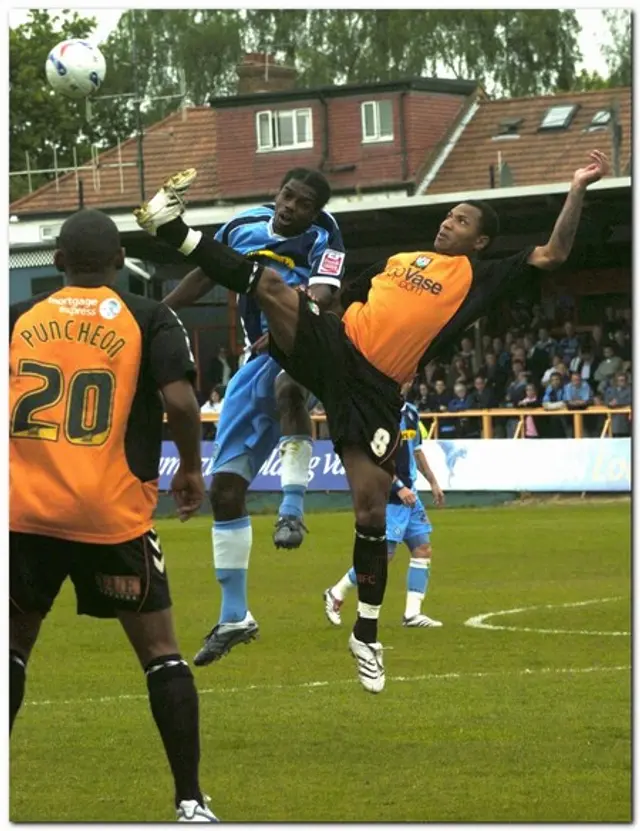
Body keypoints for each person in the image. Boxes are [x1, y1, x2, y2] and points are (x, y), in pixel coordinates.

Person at [134, 148, 608, 693]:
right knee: (268, 285)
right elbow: (336, 301)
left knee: (370, 510)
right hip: (336, 347)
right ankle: (170, 227)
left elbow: (552, 254)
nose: (447, 221)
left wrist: (577, 188)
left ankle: (366, 634)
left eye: (461, 220)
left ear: (479, 241)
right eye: (448, 213)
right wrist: (293, 328)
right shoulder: (399, 261)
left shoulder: (483, 275)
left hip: (376, 391)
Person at [9, 209, 216, 821]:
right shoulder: (149, 315)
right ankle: (189, 801)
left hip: (24, 513)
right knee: (161, 653)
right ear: (122, 262)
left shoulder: (21, 319)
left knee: (13, 651)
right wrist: (190, 467)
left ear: (56, 262)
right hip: (111, 514)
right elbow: (179, 398)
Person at [162, 168, 346, 667]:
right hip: (252, 359)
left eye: (303, 203)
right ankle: (235, 616)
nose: (291, 207)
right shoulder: (242, 224)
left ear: (314, 210)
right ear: (277, 192)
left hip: (303, 344)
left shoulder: (327, 235)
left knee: (291, 388)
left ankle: (292, 508)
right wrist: (158, 314)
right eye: (288, 195)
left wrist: (291, 325)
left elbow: (325, 293)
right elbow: (205, 272)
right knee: (224, 490)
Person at [323, 387, 445, 629]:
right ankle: (336, 593)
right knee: (382, 557)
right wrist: (399, 486)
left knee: (422, 549)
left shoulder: (411, 413)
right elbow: (375, 458)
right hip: (388, 497)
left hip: (411, 497)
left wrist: (432, 481)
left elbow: (417, 451)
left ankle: (412, 614)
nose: (407, 383)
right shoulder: (379, 415)